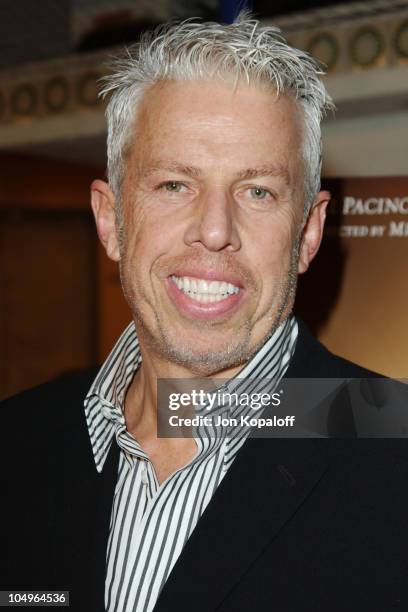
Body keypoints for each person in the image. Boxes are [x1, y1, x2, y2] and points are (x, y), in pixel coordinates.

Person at [2, 13, 408, 612]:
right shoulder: (15, 442)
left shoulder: (394, 454)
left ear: (309, 234)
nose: (215, 231)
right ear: (111, 219)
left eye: (258, 191)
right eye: (174, 185)